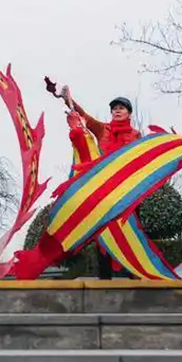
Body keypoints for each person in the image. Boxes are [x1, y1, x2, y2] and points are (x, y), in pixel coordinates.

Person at [57, 85, 141, 279]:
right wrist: (68, 99)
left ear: (129, 113)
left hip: (128, 191)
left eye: (121, 108)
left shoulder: (136, 135)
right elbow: (83, 115)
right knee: (103, 232)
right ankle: (105, 278)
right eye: (114, 108)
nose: (117, 111)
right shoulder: (102, 129)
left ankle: (135, 275)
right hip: (106, 191)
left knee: (131, 232)